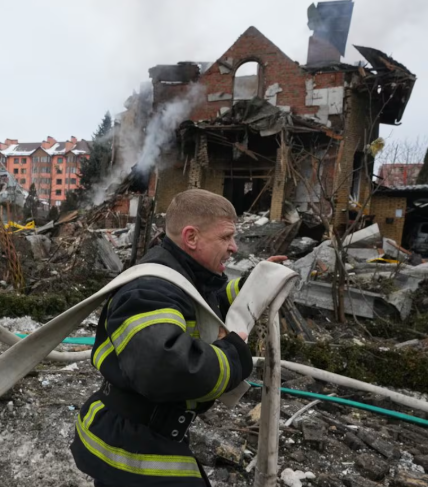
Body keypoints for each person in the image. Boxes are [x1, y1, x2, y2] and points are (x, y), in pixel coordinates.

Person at [71, 189, 279, 487]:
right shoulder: (149, 290)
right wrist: (233, 355)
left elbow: (206, 305)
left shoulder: (181, 274)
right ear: (191, 237)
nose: (234, 247)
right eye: (226, 237)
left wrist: (254, 284)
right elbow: (166, 368)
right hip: (130, 447)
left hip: (145, 432)